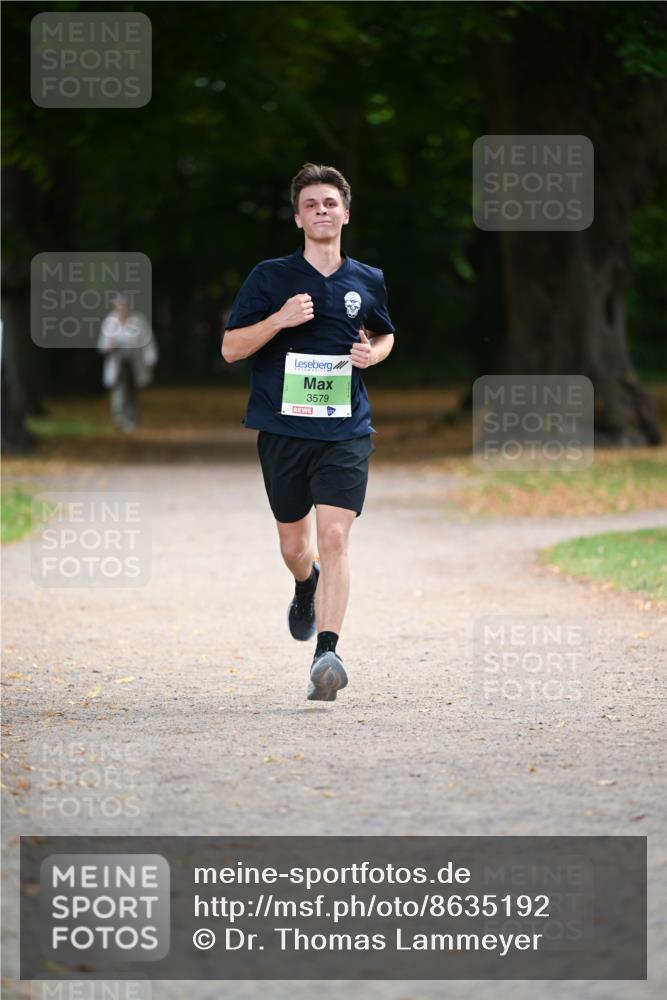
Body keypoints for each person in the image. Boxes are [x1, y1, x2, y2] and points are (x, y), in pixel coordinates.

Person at [222, 163, 395, 702]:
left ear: (346, 213)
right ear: (299, 218)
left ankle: (328, 652)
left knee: (336, 536)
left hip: (346, 430)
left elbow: (385, 336)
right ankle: (305, 583)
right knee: (296, 545)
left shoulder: (367, 279)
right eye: (311, 204)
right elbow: (231, 349)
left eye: (330, 203)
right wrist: (279, 319)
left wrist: (372, 354)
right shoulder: (269, 278)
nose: (322, 210)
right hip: (282, 429)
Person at [98, 294, 157, 432]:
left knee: (132, 391)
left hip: (133, 363)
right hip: (117, 363)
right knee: (118, 391)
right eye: (118, 305)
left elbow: (148, 340)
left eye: (123, 305)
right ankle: (120, 419)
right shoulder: (109, 322)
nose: (121, 308)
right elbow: (102, 345)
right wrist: (109, 347)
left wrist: (151, 357)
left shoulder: (139, 320)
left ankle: (132, 419)